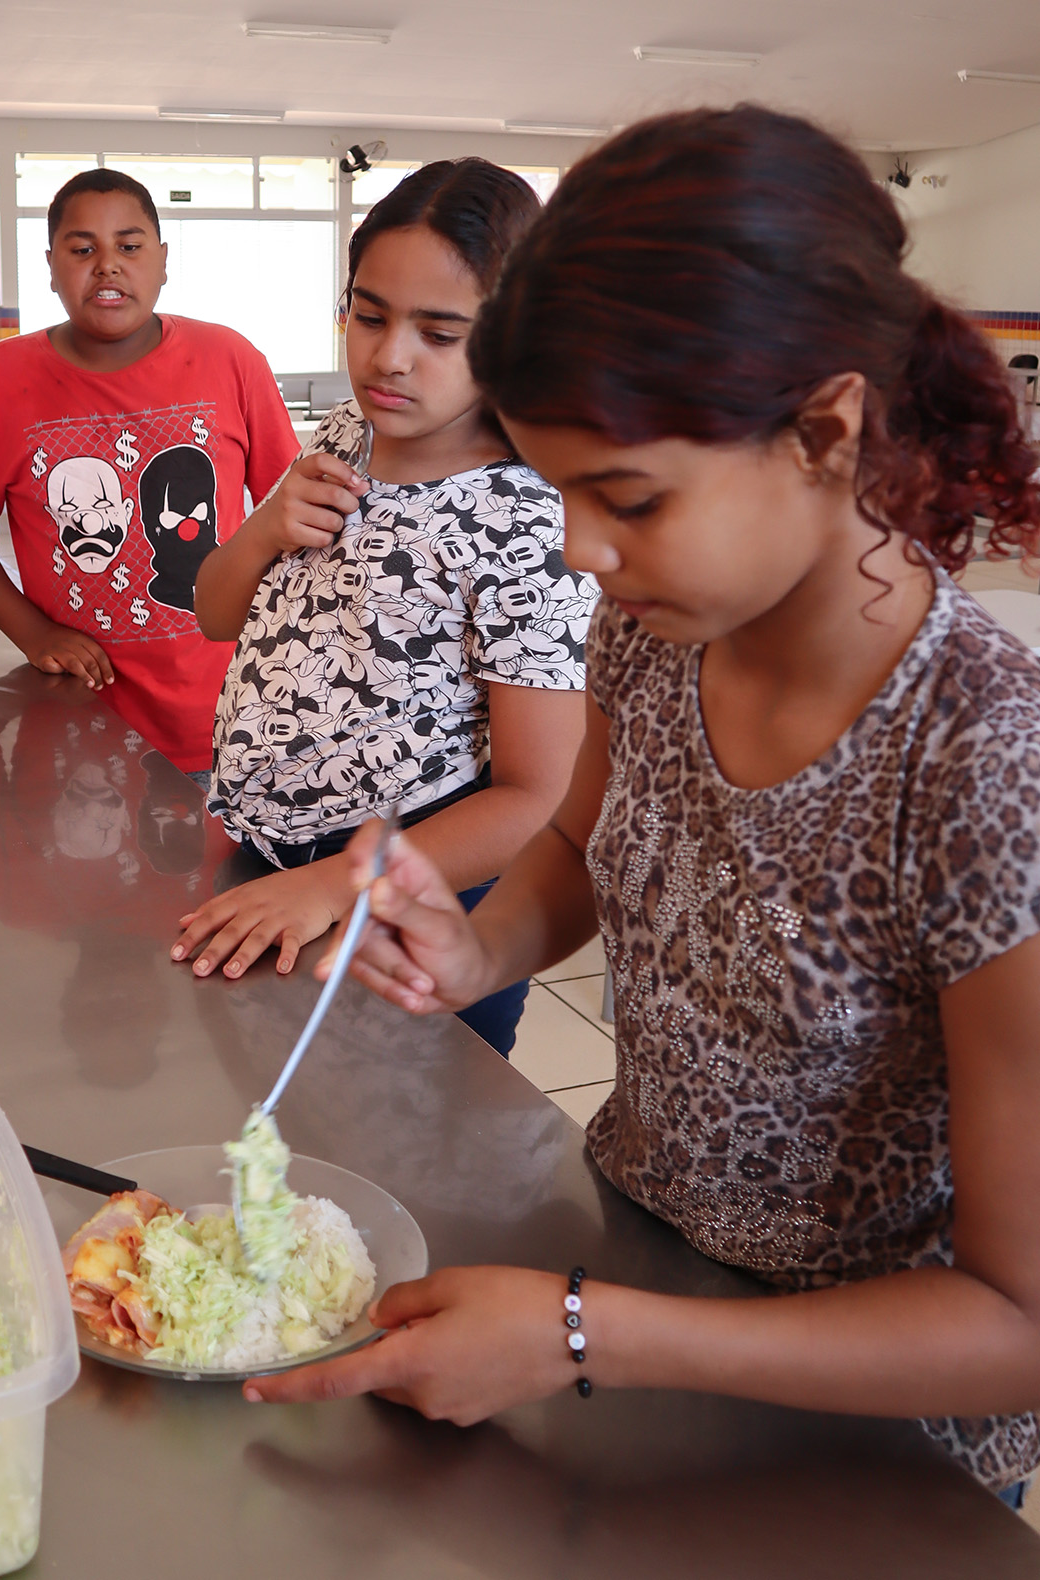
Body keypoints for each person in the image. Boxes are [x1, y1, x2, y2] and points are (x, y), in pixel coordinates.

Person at [248, 106, 1040, 1510]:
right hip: (638, 1265)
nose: (579, 549)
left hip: (866, 1442)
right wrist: (477, 947)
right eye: (562, 490)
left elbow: (1015, 1322)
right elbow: (578, 843)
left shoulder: (985, 767)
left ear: (823, 431)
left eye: (627, 497)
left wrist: (582, 1335)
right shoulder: (659, 625)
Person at [174, 159, 596, 1054]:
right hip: (274, 862)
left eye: (439, 333)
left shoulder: (527, 521)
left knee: (412, 1127)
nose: (389, 357)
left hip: (418, 901)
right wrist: (263, 530)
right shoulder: (347, 435)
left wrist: (337, 886)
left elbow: (539, 796)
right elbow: (215, 615)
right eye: (369, 316)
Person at [0, 168, 300, 775]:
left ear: (163, 260)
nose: (108, 266)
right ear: (50, 266)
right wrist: (33, 633)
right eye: (82, 249)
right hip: (78, 735)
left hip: (228, 723)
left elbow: (292, 513)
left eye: (129, 245)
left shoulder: (231, 360)